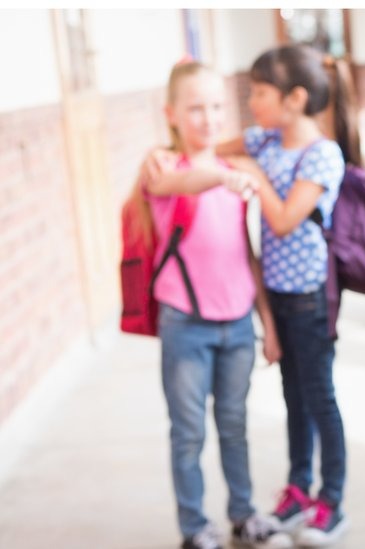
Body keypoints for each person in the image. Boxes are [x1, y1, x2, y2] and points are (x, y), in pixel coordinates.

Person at [150, 45, 349, 548]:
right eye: (199, 107)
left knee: (314, 399)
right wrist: (179, 153)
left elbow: (275, 224)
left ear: (293, 98)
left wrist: (245, 174)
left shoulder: (319, 153)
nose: (247, 103)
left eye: (258, 93)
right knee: (281, 402)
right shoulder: (259, 142)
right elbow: (207, 155)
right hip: (243, 305)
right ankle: (290, 492)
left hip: (305, 298)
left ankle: (328, 499)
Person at [136, 60, 284, 549]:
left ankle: (243, 513)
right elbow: (182, 185)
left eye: (217, 106)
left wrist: (267, 323)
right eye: (196, 108)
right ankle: (195, 526)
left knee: (234, 425)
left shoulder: (233, 173)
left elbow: (246, 253)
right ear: (171, 114)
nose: (209, 117)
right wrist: (222, 177)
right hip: (186, 324)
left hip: (237, 323)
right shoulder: (163, 170)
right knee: (188, 432)